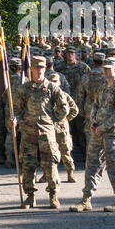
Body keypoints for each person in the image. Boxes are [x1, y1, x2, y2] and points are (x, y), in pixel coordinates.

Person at [69, 57, 115, 213]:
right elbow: (96, 104)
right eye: (104, 68)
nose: (105, 70)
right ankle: (86, 199)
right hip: (97, 132)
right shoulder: (103, 86)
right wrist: (93, 120)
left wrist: (103, 127)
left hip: (113, 134)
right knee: (92, 164)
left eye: (108, 68)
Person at [10, 56, 69, 209]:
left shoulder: (52, 88)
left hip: (46, 135)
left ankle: (53, 196)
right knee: (28, 166)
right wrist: (15, 119)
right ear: (31, 69)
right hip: (28, 134)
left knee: (50, 166)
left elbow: (64, 108)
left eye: (42, 68)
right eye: (36, 68)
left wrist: (52, 121)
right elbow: (16, 109)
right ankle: (30, 197)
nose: (39, 70)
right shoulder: (24, 88)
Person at [45, 72, 79, 183]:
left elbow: (74, 110)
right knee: (48, 153)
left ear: (59, 83)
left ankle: (70, 173)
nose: (54, 84)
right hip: (48, 128)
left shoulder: (64, 95)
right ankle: (47, 174)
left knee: (65, 151)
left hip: (62, 129)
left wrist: (64, 119)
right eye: (51, 82)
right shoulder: (45, 97)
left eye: (55, 81)